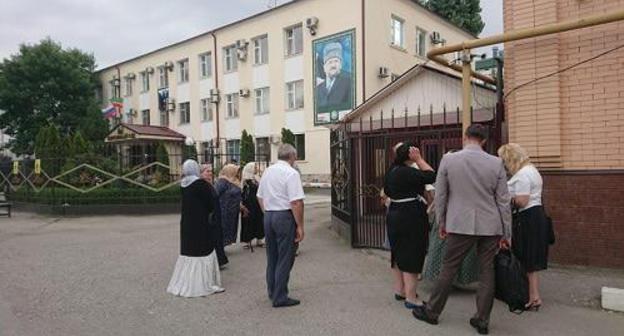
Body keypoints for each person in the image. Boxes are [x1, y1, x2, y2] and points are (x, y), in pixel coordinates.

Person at [412, 124, 512, 336]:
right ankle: (482, 319)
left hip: (459, 223)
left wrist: (442, 222)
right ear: (484, 140)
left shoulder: (449, 160)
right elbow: (503, 201)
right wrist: (506, 233)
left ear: (465, 137)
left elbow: (440, 195)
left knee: (449, 267)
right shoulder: (496, 163)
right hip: (490, 224)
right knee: (487, 271)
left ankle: (432, 311)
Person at [383, 142, 436, 309]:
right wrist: (419, 159)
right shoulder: (408, 172)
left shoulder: (392, 171)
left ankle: (400, 290)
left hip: (394, 214)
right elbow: (431, 175)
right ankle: (411, 298)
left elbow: (387, 191)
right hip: (410, 216)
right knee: (412, 254)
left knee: (398, 252)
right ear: (410, 155)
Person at [498, 143, 549, 311]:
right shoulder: (532, 170)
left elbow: (522, 200)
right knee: (531, 259)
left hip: (525, 217)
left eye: (504, 161)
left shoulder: (522, 175)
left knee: (524, 256)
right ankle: (533, 295)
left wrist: (506, 198)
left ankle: (529, 295)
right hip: (536, 215)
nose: (503, 165)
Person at [257, 144, 305, 308]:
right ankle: (280, 296)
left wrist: (268, 212)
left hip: (269, 215)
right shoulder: (292, 173)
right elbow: (296, 202)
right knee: (285, 257)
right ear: (292, 156)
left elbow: (260, 196)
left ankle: (273, 291)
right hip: (284, 216)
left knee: (272, 257)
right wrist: (300, 225)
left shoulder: (268, 171)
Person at [167, 160, 224, 297]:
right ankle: (203, 284)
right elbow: (211, 203)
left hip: (187, 222)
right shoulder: (200, 184)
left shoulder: (184, 184)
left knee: (189, 252)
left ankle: (186, 282)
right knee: (202, 251)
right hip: (200, 223)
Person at [423, 151, 479, 288]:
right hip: (462, 216)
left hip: (449, 216)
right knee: (458, 249)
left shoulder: (446, 175)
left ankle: (444, 280)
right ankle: (453, 279)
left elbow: (439, 198)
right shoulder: (469, 177)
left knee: (445, 249)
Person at [200, 164, 229, 268]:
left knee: (217, 237)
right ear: (201, 173)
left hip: (216, 214)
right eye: (207, 171)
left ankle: (219, 260)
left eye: (211, 171)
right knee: (213, 238)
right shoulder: (202, 185)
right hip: (210, 216)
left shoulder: (211, 184)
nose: (210, 173)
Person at [315, 42, 353, 113]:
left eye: (336, 61)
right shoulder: (318, 89)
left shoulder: (349, 81)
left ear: (341, 65)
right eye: (330, 62)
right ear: (324, 67)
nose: (333, 65)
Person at [215, 164, 243, 246]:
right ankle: (220, 247)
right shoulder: (222, 181)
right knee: (223, 228)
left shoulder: (234, 180)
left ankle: (224, 245)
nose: (238, 173)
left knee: (230, 228)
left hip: (232, 211)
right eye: (236, 171)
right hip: (224, 210)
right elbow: (216, 194)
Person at [241, 162, 265, 249]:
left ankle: (260, 239)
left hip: (257, 202)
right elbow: (243, 192)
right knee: (248, 221)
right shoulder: (246, 180)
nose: (256, 168)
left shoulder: (257, 177)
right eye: (254, 167)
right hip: (249, 203)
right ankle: (247, 240)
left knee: (259, 220)